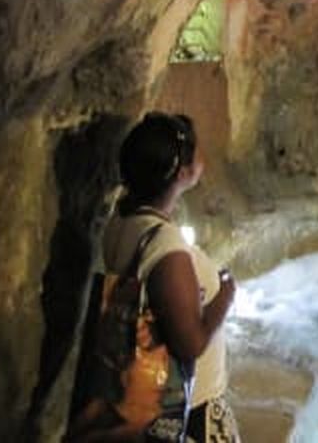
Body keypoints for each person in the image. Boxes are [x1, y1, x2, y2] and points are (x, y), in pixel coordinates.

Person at [99, 111, 241, 442]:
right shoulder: (165, 245)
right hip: (190, 408)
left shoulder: (122, 218)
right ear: (182, 172)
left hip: (134, 390)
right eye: (196, 152)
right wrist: (225, 295)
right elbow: (189, 344)